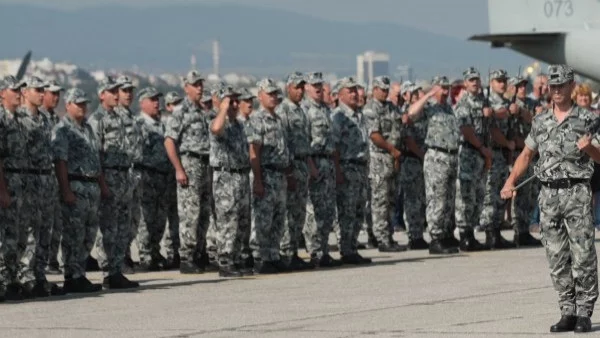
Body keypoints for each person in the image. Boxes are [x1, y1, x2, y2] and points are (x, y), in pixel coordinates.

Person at [501, 65, 599, 333]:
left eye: (561, 85)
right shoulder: (541, 120)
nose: (556, 90)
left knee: (583, 255)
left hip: (576, 192)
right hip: (549, 195)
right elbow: (526, 155)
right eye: (552, 86)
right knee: (556, 255)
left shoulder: (587, 120)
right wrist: (510, 182)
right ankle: (567, 309)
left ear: (571, 86)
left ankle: (584, 311)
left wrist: (589, 147)